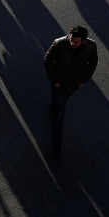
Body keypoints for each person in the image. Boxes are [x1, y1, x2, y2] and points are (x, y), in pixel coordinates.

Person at [44, 25, 98, 157]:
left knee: (59, 103)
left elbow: (93, 63)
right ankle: (57, 147)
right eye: (72, 40)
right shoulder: (59, 44)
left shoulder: (91, 46)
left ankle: (54, 105)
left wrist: (84, 80)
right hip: (59, 85)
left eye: (76, 42)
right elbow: (48, 60)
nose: (72, 43)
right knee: (58, 117)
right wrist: (54, 80)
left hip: (74, 84)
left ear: (84, 41)